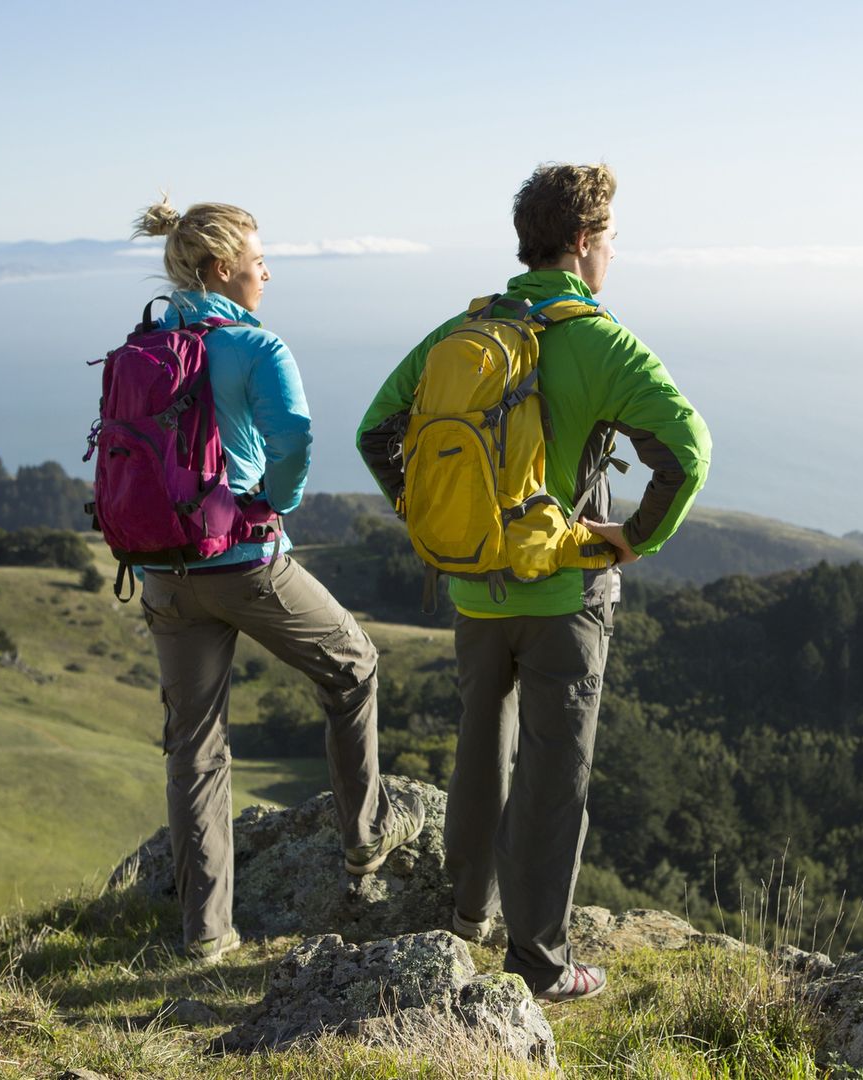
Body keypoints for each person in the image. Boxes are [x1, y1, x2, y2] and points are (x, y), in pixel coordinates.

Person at [357, 164, 710, 1001]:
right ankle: (540, 963)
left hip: (475, 589)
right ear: (584, 242)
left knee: (482, 742)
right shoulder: (596, 339)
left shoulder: (463, 330)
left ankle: (465, 911)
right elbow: (686, 449)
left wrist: (438, 521)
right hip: (563, 594)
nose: (614, 255)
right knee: (555, 772)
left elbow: (379, 430)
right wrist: (632, 539)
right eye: (612, 239)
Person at [129, 197, 422, 963]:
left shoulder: (150, 339)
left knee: (194, 744)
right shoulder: (255, 345)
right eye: (259, 259)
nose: (267, 271)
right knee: (353, 663)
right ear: (224, 270)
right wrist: (272, 503)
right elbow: (295, 438)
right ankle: (364, 842)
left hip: (160, 568)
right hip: (242, 561)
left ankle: (206, 933)